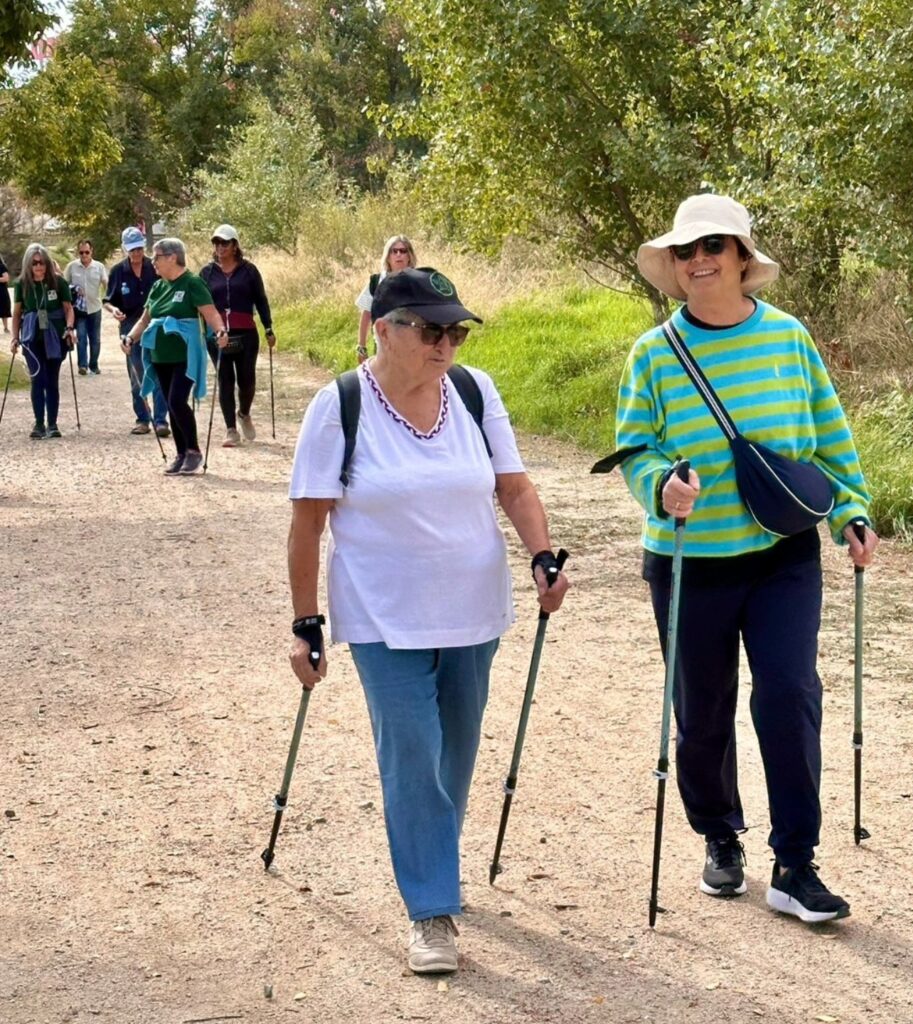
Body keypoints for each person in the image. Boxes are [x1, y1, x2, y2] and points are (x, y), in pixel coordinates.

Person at [288, 267, 569, 974]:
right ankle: (432, 910)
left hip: (473, 611)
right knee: (413, 752)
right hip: (382, 616)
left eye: (456, 331)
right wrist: (305, 623)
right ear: (384, 330)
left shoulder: (473, 392)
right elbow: (308, 522)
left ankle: (433, 861)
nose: (446, 344)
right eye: (431, 330)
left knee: (455, 754)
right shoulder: (340, 405)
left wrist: (542, 556)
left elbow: (514, 487)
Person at [616, 194, 879, 924]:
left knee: (790, 694)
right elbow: (634, 449)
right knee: (702, 711)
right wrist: (660, 484)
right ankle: (719, 836)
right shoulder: (653, 354)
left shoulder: (789, 339)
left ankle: (795, 862)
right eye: (685, 250)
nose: (698, 259)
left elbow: (829, 436)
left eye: (713, 246)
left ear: (740, 258)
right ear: (675, 265)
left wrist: (852, 510)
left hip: (781, 555)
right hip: (689, 561)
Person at [123, 238, 228, 476]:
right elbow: (145, 320)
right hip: (161, 355)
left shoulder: (192, 283)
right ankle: (181, 454)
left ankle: (193, 450)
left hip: (186, 354)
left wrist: (220, 331)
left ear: (172, 257)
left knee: (177, 400)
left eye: (157, 256)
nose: (153, 261)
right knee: (171, 403)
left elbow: (211, 313)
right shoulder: (158, 287)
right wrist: (130, 338)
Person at [198, 224, 275, 448]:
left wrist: (268, 327)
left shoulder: (249, 270)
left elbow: (261, 299)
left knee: (247, 379)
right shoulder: (206, 272)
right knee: (225, 379)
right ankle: (231, 429)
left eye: (225, 243)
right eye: (216, 243)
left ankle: (244, 413)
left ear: (235, 245)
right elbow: (200, 303)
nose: (220, 247)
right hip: (217, 333)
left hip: (246, 332)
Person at [105, 227, 169, 437]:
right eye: (132, 250)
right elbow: (108, 300)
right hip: (130, 328)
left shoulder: (155, 267)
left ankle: (161, 420)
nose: (137, 253)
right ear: (125, 249)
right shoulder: (118, 271)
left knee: (159, 372)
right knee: (137, 375)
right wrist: (114, 310)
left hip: (156, 326)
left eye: (139, 249)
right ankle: (143, 418)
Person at [9, 243, 75, 438]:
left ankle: (53, 424)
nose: (38, 266)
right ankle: (39, 424)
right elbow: (17, 313)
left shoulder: (58, 282)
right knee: (37, 379)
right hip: (32, 337)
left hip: (56, 336)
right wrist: (14, 337)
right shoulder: (22, 284)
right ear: (28, 264)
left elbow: (68, 309)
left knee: (52, 380)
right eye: (34, 263)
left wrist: (69, 328)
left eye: (42, 262)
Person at [354, 235, 416, 363]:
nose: (398, 255)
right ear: (388, 257)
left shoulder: (419, 282)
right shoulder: (376, 282)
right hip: (383, 346)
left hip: (412, 347)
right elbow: (366, 314)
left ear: (409, 256)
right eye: (394, 251)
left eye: (403, 251)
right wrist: (361, 347)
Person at [64, 239, 108, 375]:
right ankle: (82, 365)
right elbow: (64, 285)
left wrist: (108, 298)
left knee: (95, 339)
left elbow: (106, 283)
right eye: (81, 252)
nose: (84, 255)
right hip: (79, 309)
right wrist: (74, 289)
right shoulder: (72, 267)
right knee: (81, 337)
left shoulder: (99, 267)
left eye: (86, 252)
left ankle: (93, 365)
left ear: (91, 251)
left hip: (95, 308)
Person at [0, 252, 11, 333]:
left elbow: (6, 278)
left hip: (1, 291)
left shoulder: (1, 266)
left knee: (3, 309)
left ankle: (6, 327)